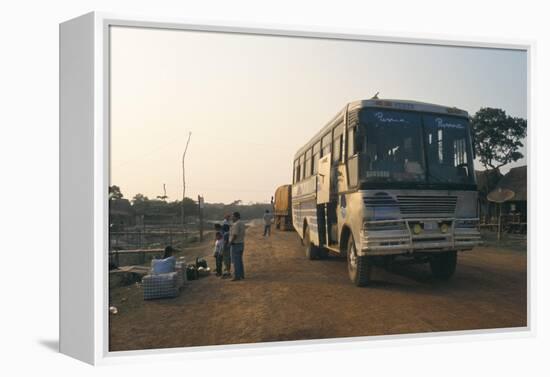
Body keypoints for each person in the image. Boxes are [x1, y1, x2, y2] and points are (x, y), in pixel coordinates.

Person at [229, 211, 246, 281]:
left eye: (232, 216)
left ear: (236, 217)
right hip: (241, 243)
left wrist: (230, 242)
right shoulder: (242, 223)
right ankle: (241, 275)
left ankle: (236, 276)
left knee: (236, 261)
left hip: (236, 244)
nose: (231, 218)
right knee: (239, 260)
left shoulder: (236, 224)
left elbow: (235, 235)